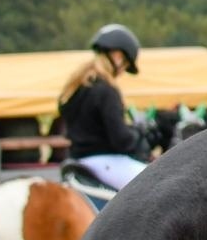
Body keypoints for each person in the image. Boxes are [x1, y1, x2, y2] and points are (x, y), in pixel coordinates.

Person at [57, 24, 154, 190]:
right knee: (158, 184)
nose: (122, 71)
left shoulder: (75, 88)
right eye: (124, 65)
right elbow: (121, 141)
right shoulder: (107, 91)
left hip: (77, 160)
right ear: (117, 56)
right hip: (105, 163)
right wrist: (138, 133)